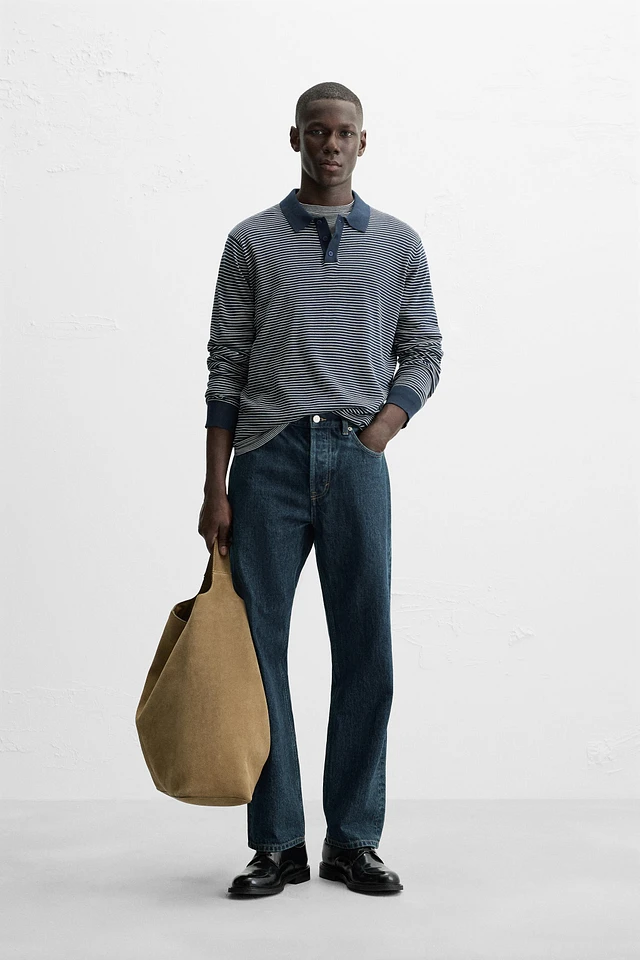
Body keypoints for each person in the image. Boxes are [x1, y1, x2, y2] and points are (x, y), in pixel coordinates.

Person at [198, 81, 443, 897]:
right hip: (266, 460)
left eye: (343, 133)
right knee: (257, 649)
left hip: (356, 459)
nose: (330, 145)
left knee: (366, 648)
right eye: (316, 132)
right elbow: (226, 363)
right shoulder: (250, 241)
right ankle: (277, 845)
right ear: (295, 138)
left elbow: (425, 349)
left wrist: (382, 429)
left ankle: (353, 840)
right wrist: (215, 486)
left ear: (362, 143)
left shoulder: (399, 244)